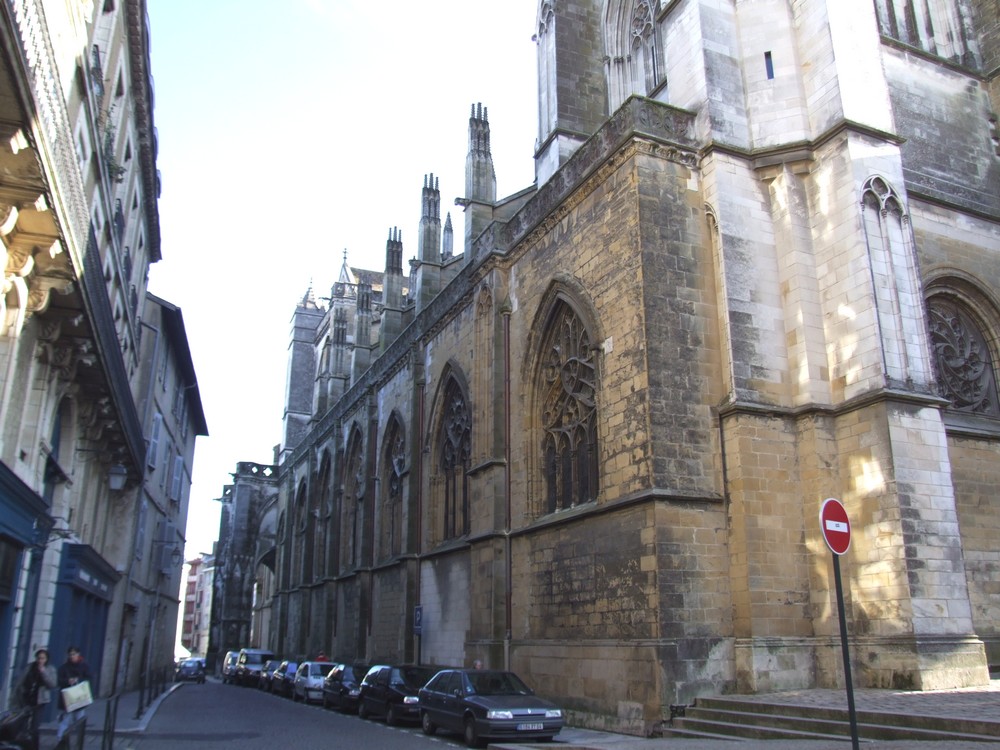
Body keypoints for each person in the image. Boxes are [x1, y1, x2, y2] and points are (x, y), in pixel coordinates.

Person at [12, 648, 57, 750]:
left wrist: (43, 672)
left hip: (40, 700)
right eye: (39, 658)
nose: (40, 660)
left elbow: (52, 684)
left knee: (34, 727)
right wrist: (18, 693)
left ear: (46, 659)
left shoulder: (50, 669)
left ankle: (35, 747)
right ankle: (23, 746)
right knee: (22, 725)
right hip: (26, 699)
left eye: (43, 658)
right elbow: (21, 681)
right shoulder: (30, 667)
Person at [55, 646, 91, 750]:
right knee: (65, 720)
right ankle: (60, 741)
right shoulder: (63, 667)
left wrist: (78, 680)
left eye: (74, 654)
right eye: (70, 654)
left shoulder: (84, 666)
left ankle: (79, 742)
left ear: (78, 654)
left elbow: (89, 678)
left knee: (79, 719)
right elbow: (58, 681)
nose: (72, 656)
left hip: (80, 697)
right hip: (67, 699)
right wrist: (68, 681)